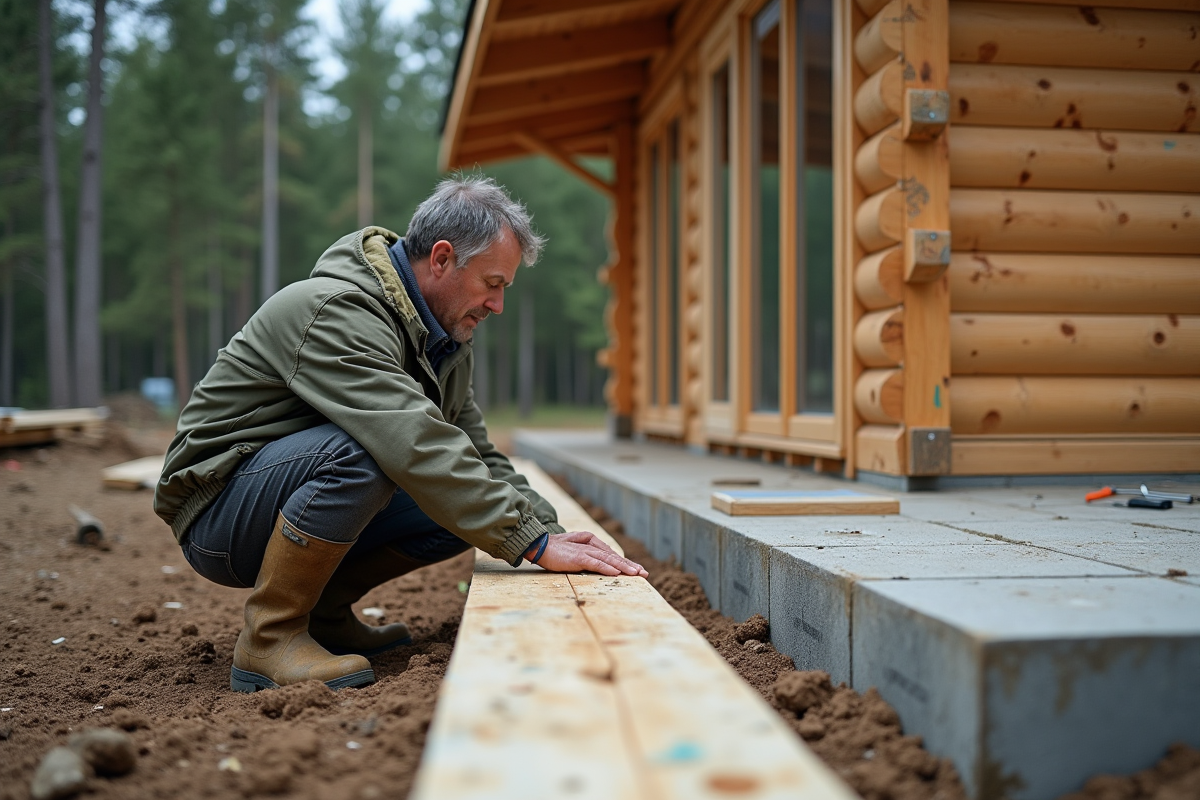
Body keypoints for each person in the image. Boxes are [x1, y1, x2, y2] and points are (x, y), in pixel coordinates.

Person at [154, 175, 647, 694]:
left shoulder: (443, 338)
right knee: (373, 452)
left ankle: (323, 614)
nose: (497, 305)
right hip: (219, 514)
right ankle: (270, 637)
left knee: (463, 504)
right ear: (441, 259)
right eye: (493, 284)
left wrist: (545, 529)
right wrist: (534, 542)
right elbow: (411, 439)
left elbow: (473, 450)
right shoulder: (335, 311)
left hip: (281, 494)